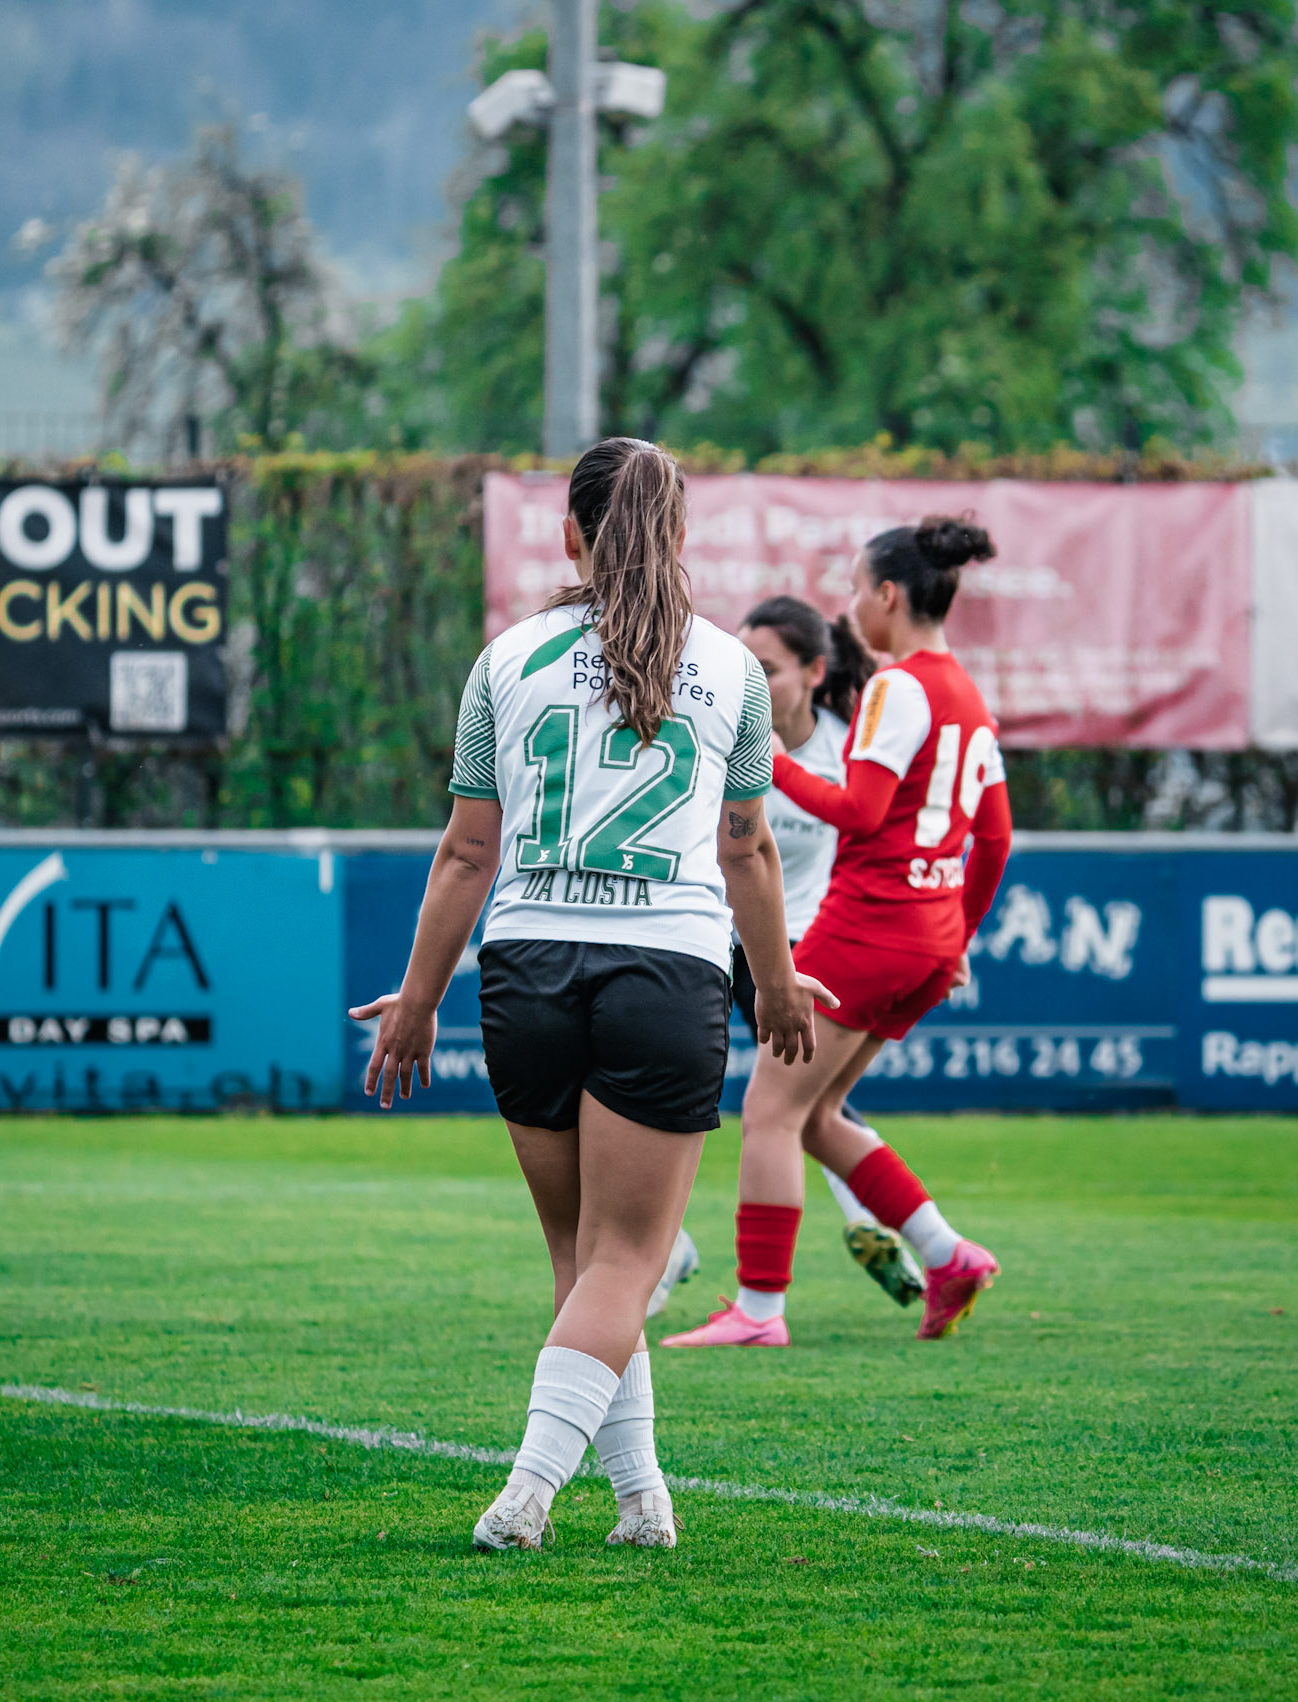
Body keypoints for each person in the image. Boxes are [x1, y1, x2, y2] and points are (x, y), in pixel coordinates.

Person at [350, 437, 834, 1551]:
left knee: (588, 1262)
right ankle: (525, 1494)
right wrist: (776, 979)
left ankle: (641, 1500)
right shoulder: (731, 670)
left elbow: (466, 852)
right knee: (626, 1260)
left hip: (524, 970)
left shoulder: (507, 658)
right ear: (677, 538)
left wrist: (421, 997)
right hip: (664, 970)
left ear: (569, 533)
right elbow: (749, 846)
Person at [663, 514, 1014, 1351]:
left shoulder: (899, 686)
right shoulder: (965, 692)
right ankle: (947, 1255)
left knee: (769, 1113)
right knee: (815, 1114)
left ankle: (757, 1308)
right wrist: (956, 933)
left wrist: (764, 759)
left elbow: (857, 811)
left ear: (888, 594)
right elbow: (994, 836)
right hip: (924, 938)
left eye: (857, 588)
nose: (853, 606)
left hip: (867, 925)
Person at [648, 594, 921, 1316]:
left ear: (812, 672)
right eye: (746, 665)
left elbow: (872, 833)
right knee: (701, 1089)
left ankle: (849, 1247)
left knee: (790, 1104)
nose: (752, 679)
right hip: (719, 938)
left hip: (804, 947)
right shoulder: (722, 734)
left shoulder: (844, 747)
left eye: (766, 668)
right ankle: (667, 1244)